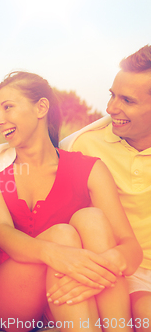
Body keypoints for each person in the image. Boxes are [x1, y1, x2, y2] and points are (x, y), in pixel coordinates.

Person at [0, 71, 141, 332]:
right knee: (63, 235)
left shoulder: (89, 169)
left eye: (8, 107)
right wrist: (58, 255)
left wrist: (98, 267)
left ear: (41, 107)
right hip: (7, 294)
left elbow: (131, 249)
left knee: (92, 219)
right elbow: (5, 234)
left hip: (66, 290)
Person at [60, 44, 151, 331]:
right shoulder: (86, 146)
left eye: (127, 100)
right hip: (129, 273)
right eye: (112, 95)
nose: (111, 109)